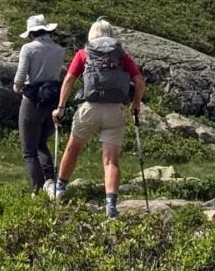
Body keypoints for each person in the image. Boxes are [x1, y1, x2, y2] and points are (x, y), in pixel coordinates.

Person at [49, 19, 146, 219]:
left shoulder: (84, 53)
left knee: (73, 148)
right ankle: (111, 206)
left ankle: (60, 189)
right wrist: (136, 103)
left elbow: (69, 79)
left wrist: (61, 107)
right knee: (111, 160)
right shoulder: (121, 54)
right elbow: (139, 81)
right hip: (115, 110)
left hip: (89, 108)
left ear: (91, 34)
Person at [13, 14, 65, 195]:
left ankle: (36, 189)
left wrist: (17, 87)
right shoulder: (59, 50)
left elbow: (21, 75)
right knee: (41, 142)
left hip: (32, 99)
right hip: (53, 99)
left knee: (29, 150)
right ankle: (50, 182)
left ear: (31, 33)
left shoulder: (28, 48)